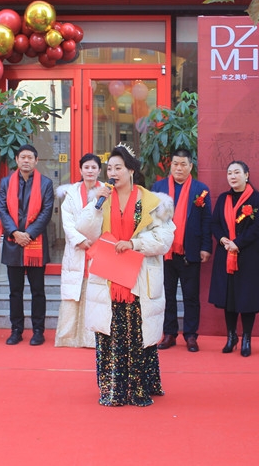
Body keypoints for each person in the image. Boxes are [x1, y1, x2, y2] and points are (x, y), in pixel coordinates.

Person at [76, 144, 175, 406]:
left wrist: (134, 244)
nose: (113, 172)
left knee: (139, 333)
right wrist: (96, 204)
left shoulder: (154, 202)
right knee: (110, 332)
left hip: (139, 278)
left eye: (118, 167)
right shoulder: (101, 199)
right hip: (109, 277)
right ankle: (113, 389)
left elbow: (165, 239)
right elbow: (84, 229)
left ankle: (139, 387)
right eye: (109, 168)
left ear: (131, 170)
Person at [151, 148, 212, 352]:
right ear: (171, 165)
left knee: (191, 296)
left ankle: (191, 335)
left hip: (190, 251)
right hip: (164, 251)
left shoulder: (200, 190)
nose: (179, 168)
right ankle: (169, 333)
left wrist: (206, 247)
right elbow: (150, 218)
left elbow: (206, 220)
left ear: (190, 166)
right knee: (167, 294)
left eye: (183, 164)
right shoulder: (158, 187)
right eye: (175, 164)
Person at [209, 160, 259, 357]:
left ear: (246, 175)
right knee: (229, 297)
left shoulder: (257, 199)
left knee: (247, 298)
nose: (232, 176)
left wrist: (238, 243)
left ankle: (247, 339)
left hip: (249, 256)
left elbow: (258, 226)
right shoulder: (223, 199)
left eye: (237, 172)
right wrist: (222, 239)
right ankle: (231, 336)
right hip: (225, 253)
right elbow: (214, 223)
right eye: (229, 173)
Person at [0, 144, 54, 347]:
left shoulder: (46, 183)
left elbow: (46, 212)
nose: (26, 160)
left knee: (38, 290)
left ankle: (38, 331)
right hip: (13, 242)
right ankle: (16, 330)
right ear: (17, 160)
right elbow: (2, 209)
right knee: (15, 291)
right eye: (23, 157)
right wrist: (15, 232)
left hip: (35, 242)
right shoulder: (6, 182)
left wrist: (28, 234)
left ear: (36, 161)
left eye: (30, 157)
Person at [54, 153, 103, 348]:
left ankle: (92, 338)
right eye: (86, 167)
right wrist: (80, 240)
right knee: (72, 293)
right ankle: (69, 337)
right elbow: (66, 222)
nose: (90, 171)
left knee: (96, 295)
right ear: (80, 170)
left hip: (99, 248)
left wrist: (98, 241)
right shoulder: (71, 193)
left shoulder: (106, 191)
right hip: (76, 249)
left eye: (94, 167)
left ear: (99, 170)